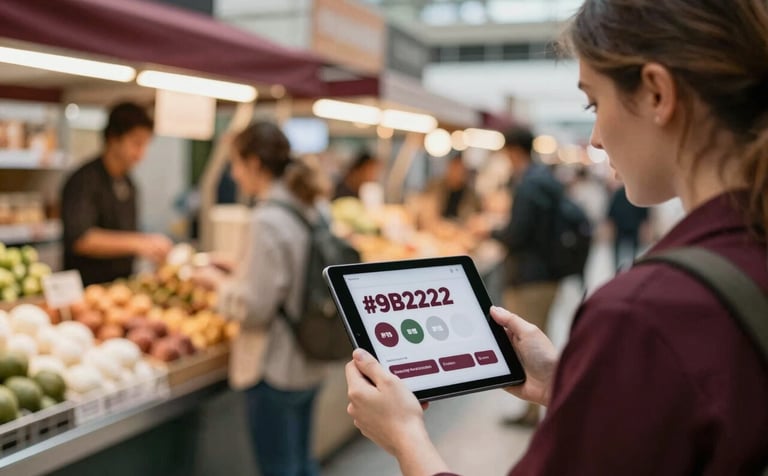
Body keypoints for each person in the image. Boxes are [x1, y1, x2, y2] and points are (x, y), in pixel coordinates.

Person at [344, 1, 768, 475]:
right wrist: (569, 383)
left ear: (656, 93)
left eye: (595, 103)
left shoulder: (644, 314)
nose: (595, 138)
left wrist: (404, 437)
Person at [194, 121, 329, 476]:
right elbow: (292, 276)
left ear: (254, 163)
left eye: (236, 164)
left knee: (279, 469)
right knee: (302, 462)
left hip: (275, 365)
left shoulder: (267, 219)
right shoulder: (311, 207)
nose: (235, 174)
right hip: (311, 356)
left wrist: (214, 284)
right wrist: (241, 267)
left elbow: (254, 308)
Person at [487, 126, 565, 426]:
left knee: (525, 340)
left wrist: (492, 230)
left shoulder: (527, 184)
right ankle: (542, 407)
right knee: (541, 334)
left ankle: (535, 412)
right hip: (549, 273)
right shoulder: (545, 179)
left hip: (530, 276)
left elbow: (517, 234)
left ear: (513, 151)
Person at [61, 102, 172, 286]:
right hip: (86, 289)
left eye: (145, 145)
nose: (141, 153)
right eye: (136, 143)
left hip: (122, 287)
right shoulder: (83, 181)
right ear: (113, 138)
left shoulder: (129, 183)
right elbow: (81, 239)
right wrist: (139, 243)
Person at [607, 185, 650, 269]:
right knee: (632, 253)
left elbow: (611, 215)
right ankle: (631, 269)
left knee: (619, 253)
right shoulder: (636, 194)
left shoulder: (618, 194)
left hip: (625, 227)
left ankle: (618, 270)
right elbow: (644, 217)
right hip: (629, 227)